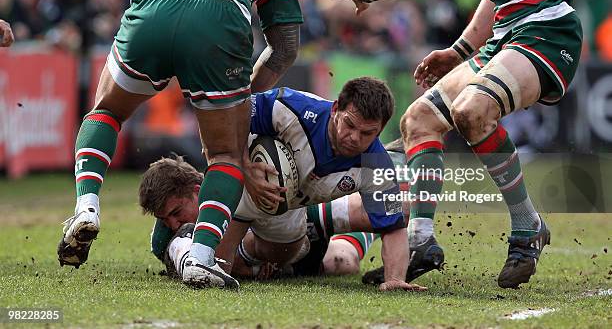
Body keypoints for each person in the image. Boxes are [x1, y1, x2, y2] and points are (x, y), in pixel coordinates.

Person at [325, 0, 581, 289]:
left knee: (472, 111)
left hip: (546, 32)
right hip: (508, 34)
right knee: (417, 120)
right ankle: (420, 241)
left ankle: (527, 225)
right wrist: (460, 50)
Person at [57, 0, 303, 290]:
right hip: (218, 15)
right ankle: (202, 258)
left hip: (154, 6)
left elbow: (167, 4)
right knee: (224, 154)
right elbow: (286, 46)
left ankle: (86, 206)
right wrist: (242, 100)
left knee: (104, 113)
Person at [140, 77, 427, 292]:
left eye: (367, 133)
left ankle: (259, 259)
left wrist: (394, 279)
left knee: (390, 217)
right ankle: (223, 259)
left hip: (296, 208)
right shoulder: (293, 108)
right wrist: (245, 169)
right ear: (336, 108)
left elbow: (393, 228)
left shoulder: (376, 164)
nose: (354, 137)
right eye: (349, 125)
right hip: (253, 196)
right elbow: (227, 118)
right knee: (212, 269)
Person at [137, 156, 377, 280]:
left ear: (199, 191)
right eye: (164, 219)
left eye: (176, 213)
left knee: (366, 211)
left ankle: (407, 201)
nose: (173, 225)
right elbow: (221, 266)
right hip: (288, 261)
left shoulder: (231, 188)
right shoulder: (164, 239)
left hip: (288, 223)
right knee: (343, 262)